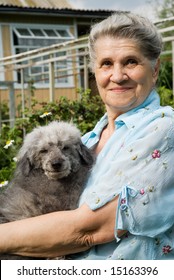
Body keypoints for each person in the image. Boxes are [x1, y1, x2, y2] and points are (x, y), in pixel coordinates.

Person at [0, 11, 174, 260]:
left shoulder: (164, 129)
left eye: (131, 62)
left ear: (155, 69)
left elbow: (87, 230)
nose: (117, 75)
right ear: (95, 71)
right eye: (106, 64)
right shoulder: (86, 140)